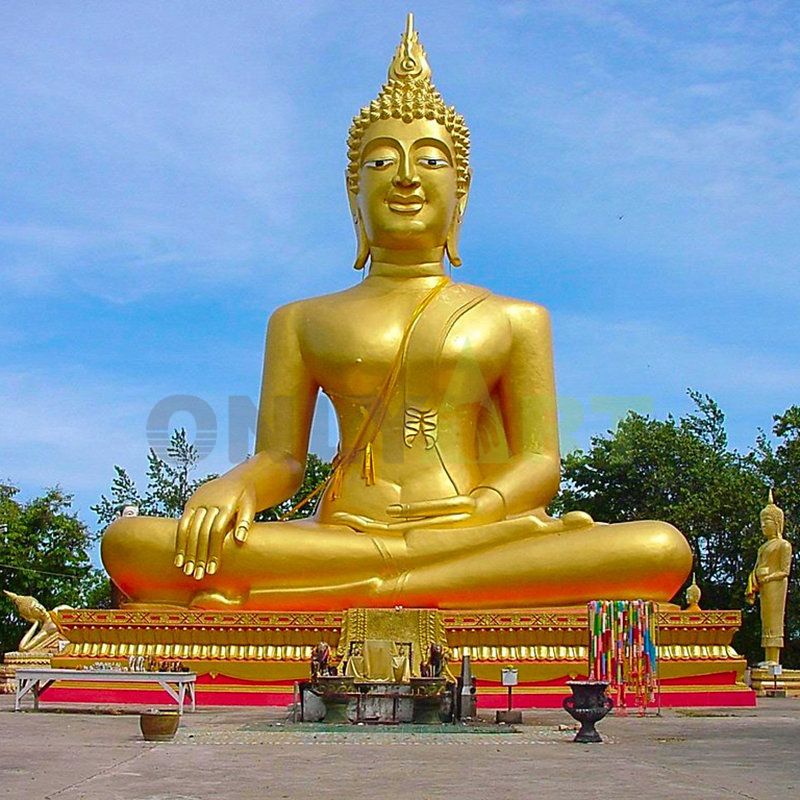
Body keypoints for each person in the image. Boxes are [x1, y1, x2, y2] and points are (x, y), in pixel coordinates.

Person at [102, 15, 691, 611]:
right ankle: (415, 583)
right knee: (132, 543)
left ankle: (375, 591)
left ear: (461, 192)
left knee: (659, 548)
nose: (406, 178)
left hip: (472, 530)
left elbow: (539, 462)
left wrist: (483, 508)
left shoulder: (516, 318)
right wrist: (232, 486)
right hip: (342, 536)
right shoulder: (300, 319)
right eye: (381, 162)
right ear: (352, 195)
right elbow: (281, 459)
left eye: (431, 161)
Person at [746, 490, 792, 665]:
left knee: (775, 620)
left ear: (778, 523)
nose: (763, 526)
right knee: (765, 621)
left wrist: (768, 577)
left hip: (775, 585)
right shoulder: (763, 547)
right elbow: (757, 566)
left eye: (767, 521)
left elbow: (785, 570)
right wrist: (755, 578)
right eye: (762, 522)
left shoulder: (783, 545)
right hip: (765, 587)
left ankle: (774, 659)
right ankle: (767, 657)